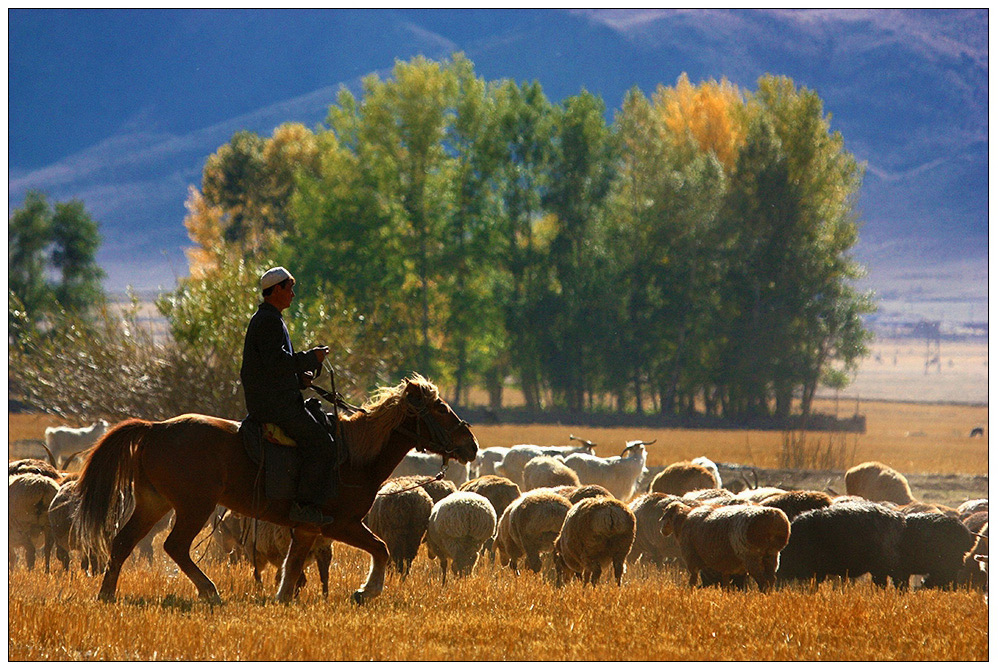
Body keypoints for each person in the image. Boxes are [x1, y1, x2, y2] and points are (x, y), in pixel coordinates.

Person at [240, 266, 337, 526]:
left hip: (274, 401)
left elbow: (273, 368)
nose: (293, 295)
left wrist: (298, 380)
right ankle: (303, 507)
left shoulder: (269, 319)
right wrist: (310, 358)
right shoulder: (269, 321)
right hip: (275, 407)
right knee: (322, 444)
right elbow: (276, 363)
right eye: (290, 289)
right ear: (277, 290)